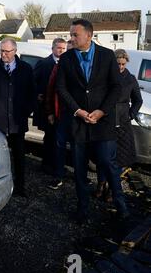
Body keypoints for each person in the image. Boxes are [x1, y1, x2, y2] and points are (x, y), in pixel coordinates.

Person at [56, 19, 130, 223]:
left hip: (102, 123)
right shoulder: (66, 59)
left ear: (89, 35)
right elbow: (61, 88)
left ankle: (121, 205)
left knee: (108, 162)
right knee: (79, 169)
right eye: (70, 34)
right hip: (79, 124)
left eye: (74, 35)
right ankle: (82, 209)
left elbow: (116, 87)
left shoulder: (106, 56)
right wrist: (78, 110)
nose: (71, 38)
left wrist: (102, 111)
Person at [0, 38, 36, 197]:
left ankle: (20, 187)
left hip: (18, 121)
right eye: (1, 51)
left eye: (6, 51)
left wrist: (26, 111)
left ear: (14, 51)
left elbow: (32, 92)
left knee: (19, 156)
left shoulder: (25, 69)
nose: (3, 54)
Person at [94, 49, 143, 202]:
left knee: (120, 159)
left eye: (123, 64)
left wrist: (130, 114)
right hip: (106, 120)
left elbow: (138, 100)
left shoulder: (130, 79)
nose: (121, 67)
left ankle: (111, 188)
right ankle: (101, 183)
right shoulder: (105, 77)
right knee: (103, 157)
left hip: (123, 123)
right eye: (118, 64)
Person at [34, 38, 67, 175]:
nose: (61, 50)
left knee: (59, 139)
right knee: (49, 137)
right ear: (53, 48)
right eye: (59, 48)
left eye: (63, 48)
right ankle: (46, 164)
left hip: (61, 107)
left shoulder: (66, 63)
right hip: (47, 107)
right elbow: (33, 81)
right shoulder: (44, 63)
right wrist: (37, 94)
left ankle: (57, 164)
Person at [45, 40, 73, 190]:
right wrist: (50, 111)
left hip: (79, 115)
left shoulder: (85, 66)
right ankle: (59, 176)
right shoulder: (58, 66)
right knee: (59, 146)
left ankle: (80, 176)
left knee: (78, 147)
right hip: (61, 113)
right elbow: (50, 89)